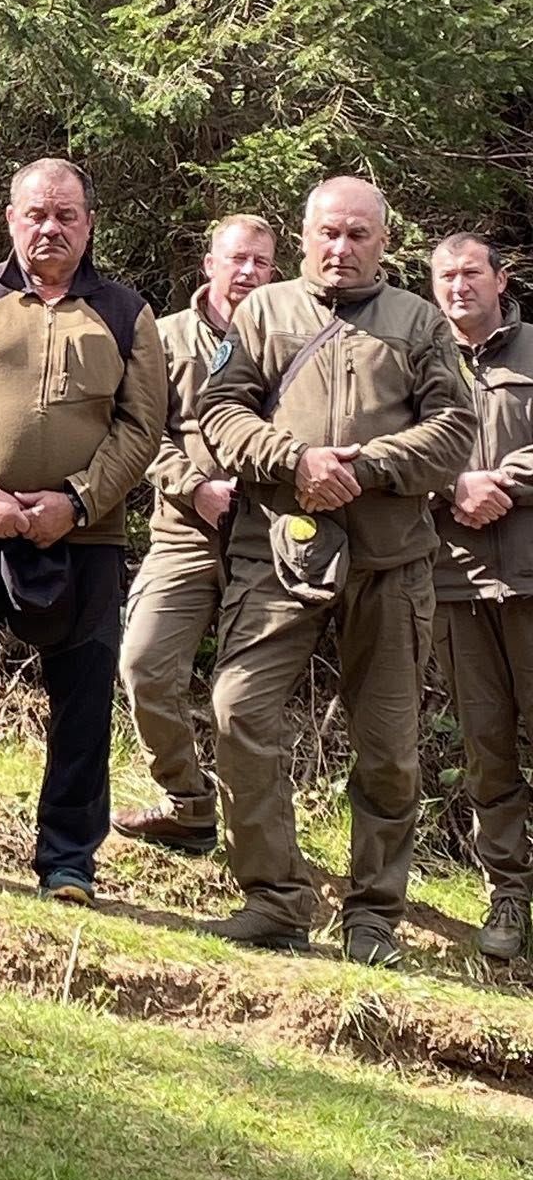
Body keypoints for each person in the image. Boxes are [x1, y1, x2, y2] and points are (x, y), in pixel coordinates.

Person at [198, 177, 474, 966]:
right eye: (328, 233)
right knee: (239, 710)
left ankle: (373, 919)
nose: (341, 248)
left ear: (384, 243)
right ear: (305, 236)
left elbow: (455, 430)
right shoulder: (263, 312)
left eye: (358, 235)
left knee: (387, 748)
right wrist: (297, 461)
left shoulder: (419, 322)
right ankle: (275, 901)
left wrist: (369, 467)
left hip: (392, 563)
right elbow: (221, 411)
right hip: (279, 550)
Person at [0, 158, 168, 901]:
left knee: (85, 687)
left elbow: (142, 428)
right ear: (11, 219)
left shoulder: (126, 313)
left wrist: (77, 503)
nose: (50, 228)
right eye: (36, 214)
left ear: (89, 224)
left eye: (66, 215)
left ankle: (69, 861)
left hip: (85, 537)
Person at [113, 216, 278, 853]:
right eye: (237, 259)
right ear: (210, 264)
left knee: (248, 698)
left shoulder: (288, 338)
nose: (249, 273)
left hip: (267, 541)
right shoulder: (164, 337)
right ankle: (187, 802)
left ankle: (260, 840)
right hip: (184, 534)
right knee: (145, 665)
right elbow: (136, 430)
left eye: (262, 263)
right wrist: (194, 487)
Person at [429, 233, 533, 961]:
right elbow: (389, 444)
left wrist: (503, 483)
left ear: (501, 279)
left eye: (471, 273)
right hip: (456, 582)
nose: (459, 286)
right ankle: (509, 896)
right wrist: (452, 484)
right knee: (486, 749)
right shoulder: (418, 357)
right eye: (446, 276)